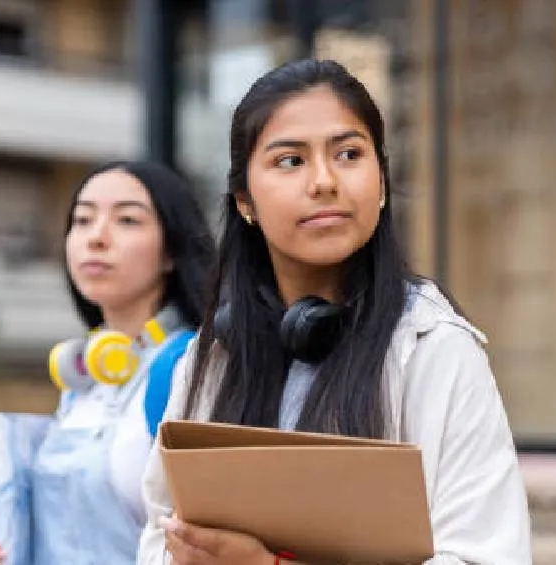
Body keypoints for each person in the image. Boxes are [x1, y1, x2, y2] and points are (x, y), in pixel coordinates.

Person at [137, 59, 532, 564]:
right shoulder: (213, 356)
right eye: (290, 161)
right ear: (244, 201)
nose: (324, 181)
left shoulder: (435, 347)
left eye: (348, 154)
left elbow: (486, 556)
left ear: (382, 184)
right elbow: (157, 537)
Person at [0, 160, 217, 565]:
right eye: (82, 220)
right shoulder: (82, 381)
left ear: (172, 251)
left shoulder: (191, 368)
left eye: (127, 220)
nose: (96, 237)